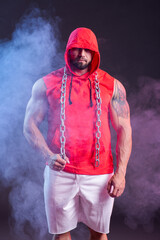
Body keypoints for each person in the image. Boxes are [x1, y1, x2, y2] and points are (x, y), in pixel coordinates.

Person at [23, 27, 132, 240]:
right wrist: (47, 156)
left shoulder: (113, 86)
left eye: (87, 49)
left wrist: (121, 173)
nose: (82, 54)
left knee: (99, 234)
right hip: (60, 172)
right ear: (68, 51)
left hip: (100, 174)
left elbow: (124, 129)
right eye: (76, 49)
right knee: (61, 234)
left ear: (94, 53)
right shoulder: (46, 84)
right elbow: (29, 126)